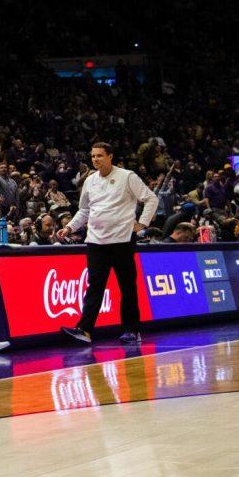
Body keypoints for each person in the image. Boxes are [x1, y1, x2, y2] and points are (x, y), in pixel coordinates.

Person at [58, 142, 158, 344]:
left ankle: (131, 330)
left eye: (100, 156)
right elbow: (84, 210)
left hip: (122, 240)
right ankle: (84, 330)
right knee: (95, 286)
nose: (95, 159)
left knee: (127, 286)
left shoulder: (127, 176)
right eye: (93, 156)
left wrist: (141, 224)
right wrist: (70, 227)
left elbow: (151, 198)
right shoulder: (90, 181)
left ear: (110, 156)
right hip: (96, 241)